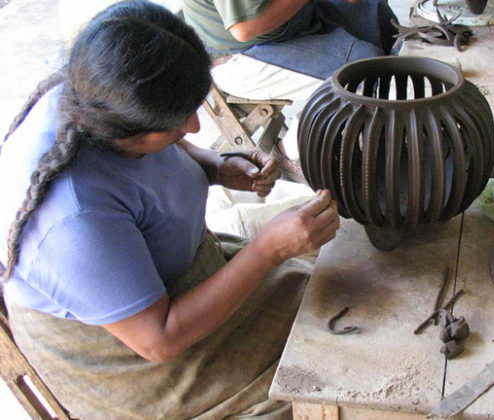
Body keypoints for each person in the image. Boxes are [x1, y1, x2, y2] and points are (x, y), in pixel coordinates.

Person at [0, 1, 339, 419]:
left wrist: (215, 167)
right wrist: (268, 250)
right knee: (331, 373)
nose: (195, 128)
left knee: (336, 293)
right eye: (179, 123)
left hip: (189, 273)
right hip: (145, 366)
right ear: (129, 128)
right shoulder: (73, 217)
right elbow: (158, 341)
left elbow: (165, 151)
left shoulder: (100, 92)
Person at [182, 0, 400, 101]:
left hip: (293, 22)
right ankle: (292, 152)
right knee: (366, 70)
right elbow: (246, 28)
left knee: (374, 11)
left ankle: (383, 112)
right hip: (242, 56)